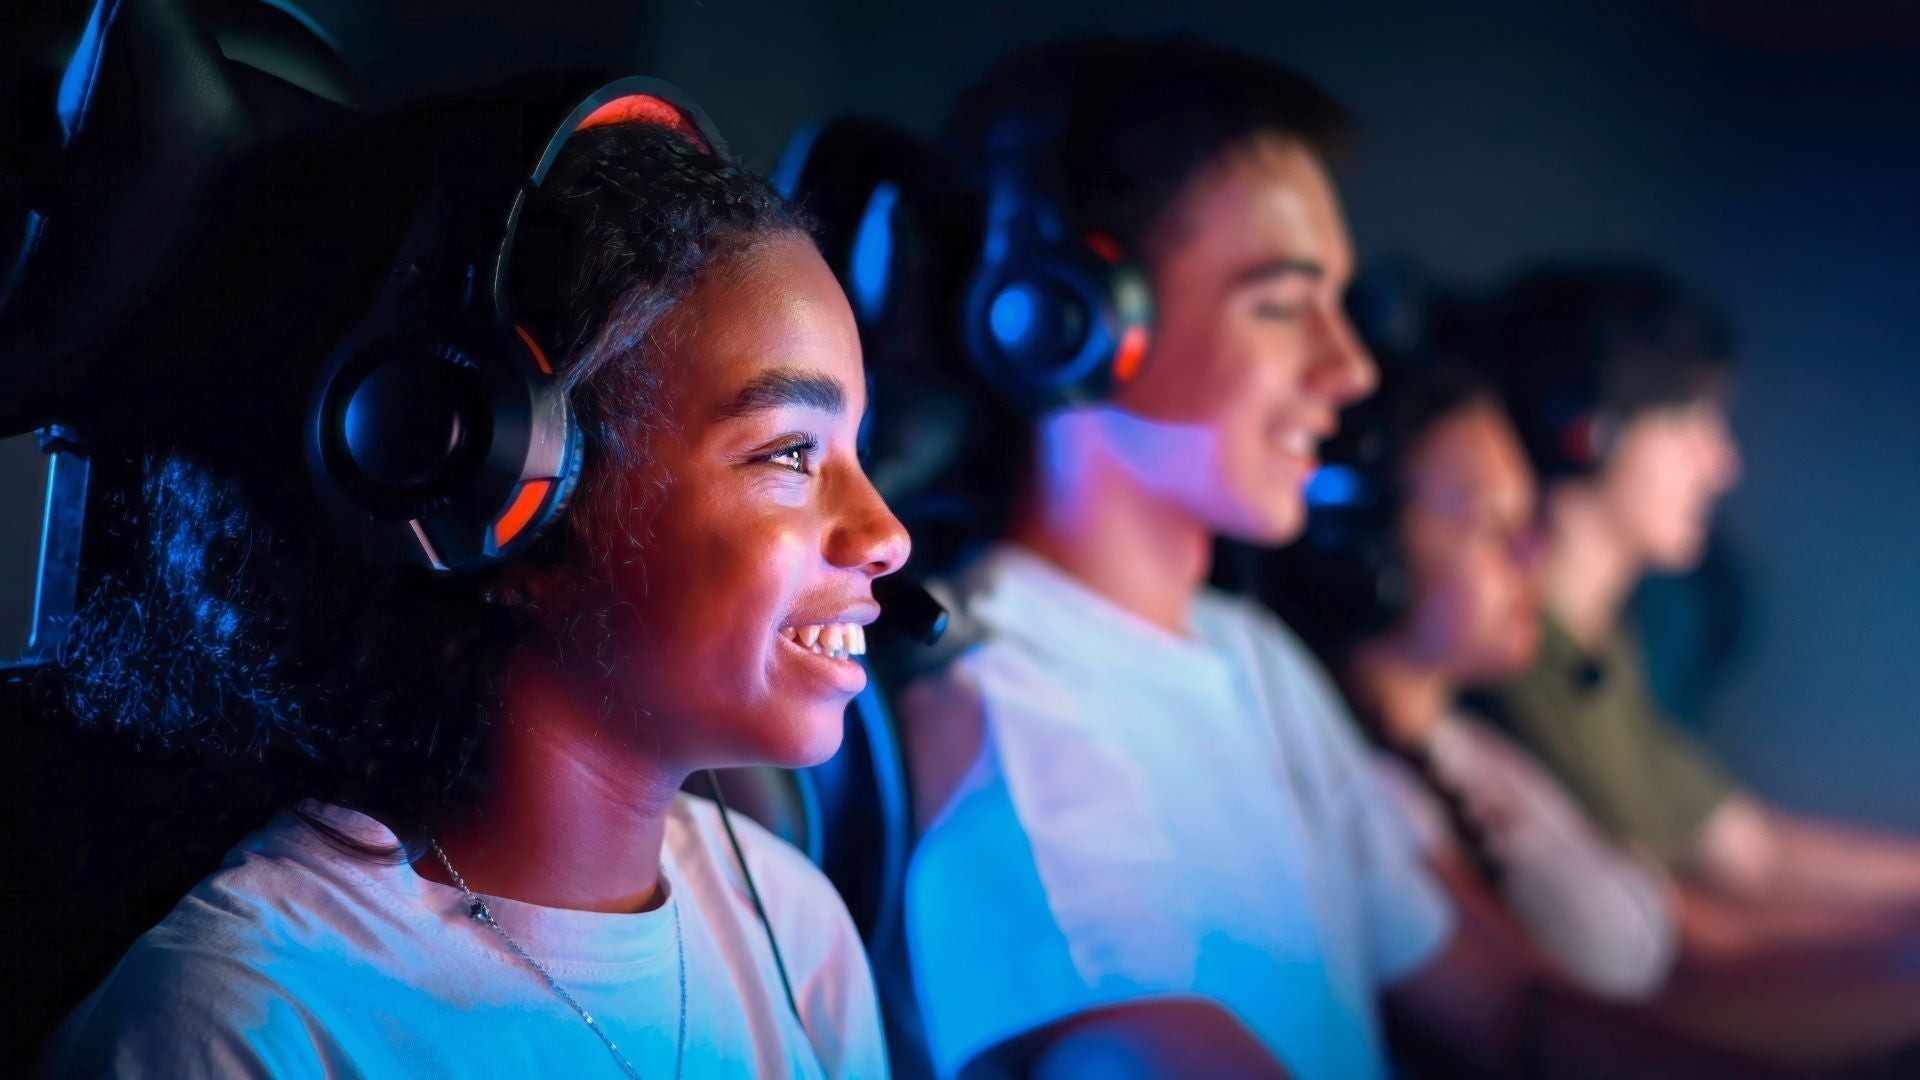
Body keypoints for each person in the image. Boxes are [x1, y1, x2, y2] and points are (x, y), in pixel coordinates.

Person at [893, 37, 1767, 1080]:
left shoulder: (1251, 657)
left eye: (1338, 306)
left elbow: (1517, 1007)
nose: (1348, 370)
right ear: (1063, 324)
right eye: (1278, 303)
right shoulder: (1001, 690)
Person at [43, 85, 906, 1077]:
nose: (886, 534)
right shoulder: (237, 1029)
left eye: (855, 447)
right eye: (791, 454)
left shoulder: (794, 932)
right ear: (499, 495)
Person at [1465, 267, 1920, 953]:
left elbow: (1747, 848)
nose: (1722, 463)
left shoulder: (1602, 647)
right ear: (1586, 432)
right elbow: (1691, 935)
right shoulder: (1515, 659)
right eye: (1687, 420)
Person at [1263, 361, 1681, 1002]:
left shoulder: (1478, 750)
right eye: (1494, 527)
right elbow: (1529, 1023)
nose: (1531, 557)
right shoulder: (1374, 796)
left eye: (1527, 526)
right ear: (1373, 555)